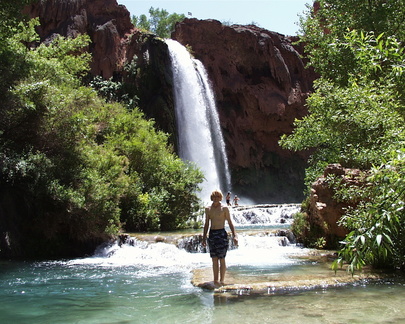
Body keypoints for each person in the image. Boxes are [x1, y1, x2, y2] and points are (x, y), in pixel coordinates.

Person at [202, 190, 238, 287]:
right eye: (214, 196)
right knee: (214, 259)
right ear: (212, 197)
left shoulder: (224, 208)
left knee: (222, 258)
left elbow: (230, 222)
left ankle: (222, 280)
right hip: (212, 234)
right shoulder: (208, 209)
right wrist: (204, 237)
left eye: (218, 196)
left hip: (221, 234)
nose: (216, 198)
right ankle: (215, 280)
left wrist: (235, 235)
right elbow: (206, 224)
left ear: (221, 198)